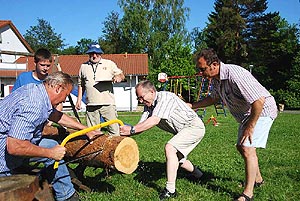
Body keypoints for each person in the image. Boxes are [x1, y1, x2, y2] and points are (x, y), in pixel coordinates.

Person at [189, 48, 278, 201]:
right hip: (247, 114)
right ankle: (258, 180)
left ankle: (247, 194)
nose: (201, 72)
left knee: (247, 147)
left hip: (262, 110)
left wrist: (250, 126)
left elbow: (259, 100)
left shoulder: (235, 74)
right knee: (241, 147)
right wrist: (192, 106)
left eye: (202, 69)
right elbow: (213, 98)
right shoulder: (216, 80)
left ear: (214, 64)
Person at [0, 71, 101, 201]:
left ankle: (67, 196)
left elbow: (54, 114)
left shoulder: (36, 91)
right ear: (58, 88)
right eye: (66, 95)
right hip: (4, 159)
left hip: (12, 146)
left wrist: (86, 129)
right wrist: (50, 153)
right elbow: (14, 146)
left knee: (51, 145)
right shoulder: (34, 105)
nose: (65, 99)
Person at [119, 80, 205, 200]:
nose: (140, 101)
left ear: (152, 92)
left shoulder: (165, 98)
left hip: (193, 127)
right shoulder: (149, 106)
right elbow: (141, 125)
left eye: (142, 98)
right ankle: (199, 175)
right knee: (177, 159)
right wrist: (126, 133)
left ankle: (170, 190)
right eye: (138, 98)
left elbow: (154, 120)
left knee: (170, 148)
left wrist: (132, 130)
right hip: (182, 130)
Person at [76, 43, 125, 136]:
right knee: (93, 132)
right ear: (88, 54)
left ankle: (116, 149)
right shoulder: (83, 66)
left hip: (108, 104)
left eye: (97, 53)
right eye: (91, 53)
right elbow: (80, 85)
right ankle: (96, 150)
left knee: (114, 130)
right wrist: (78, 100)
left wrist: (118, 77)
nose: (94, 56)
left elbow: (121, 75)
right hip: (91, 104)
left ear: (101, 54)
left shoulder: (109, 63)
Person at [12, 48, 63, 123]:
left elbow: (58, 104)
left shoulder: (51, 81)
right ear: (35, 63)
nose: (45, 68)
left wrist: (50, 121)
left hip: (43, 120)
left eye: (48, 66)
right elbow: (13, 99)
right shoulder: (23, 78)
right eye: (42, 65)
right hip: (23, 118)